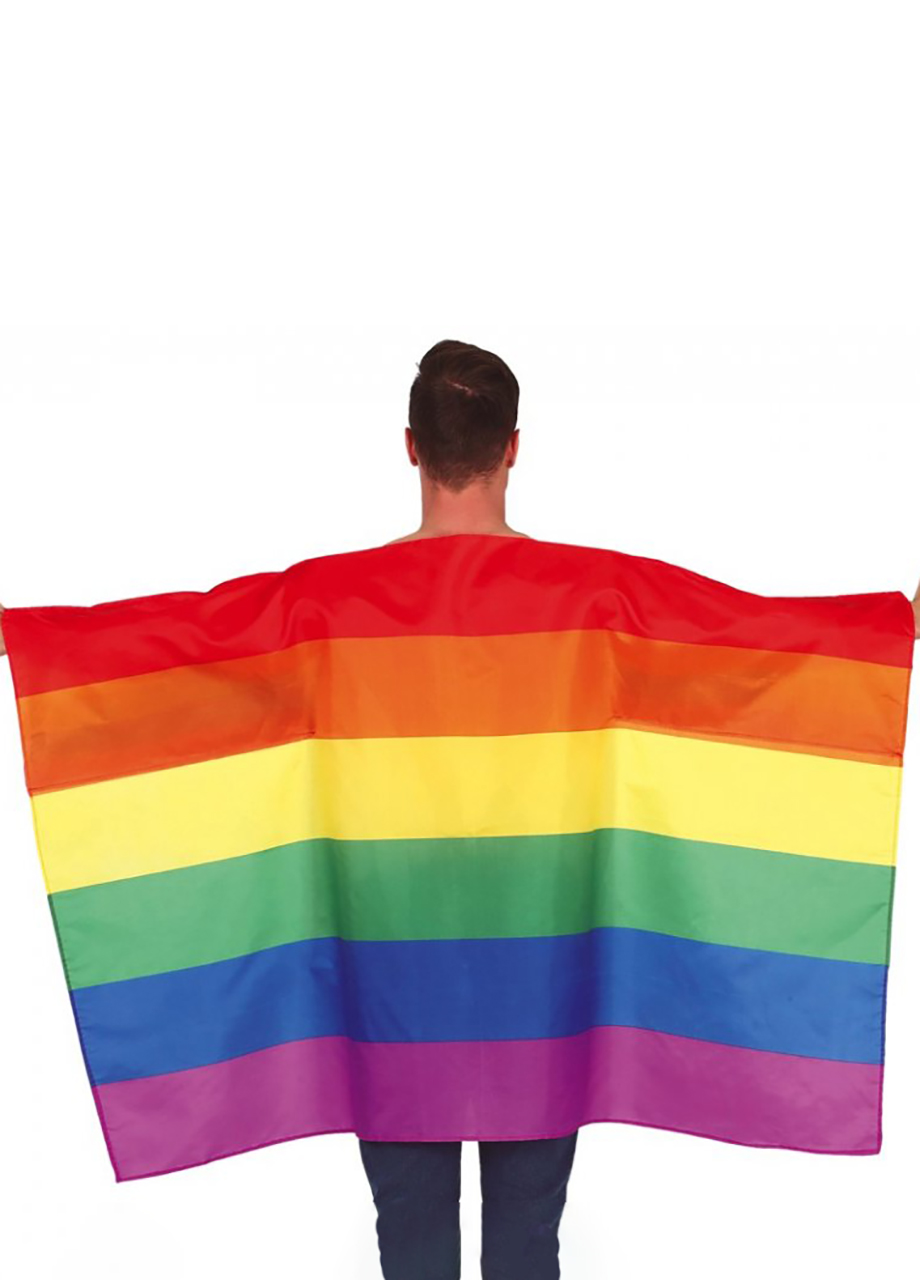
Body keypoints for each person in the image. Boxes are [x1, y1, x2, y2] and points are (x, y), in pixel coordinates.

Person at [1, 338, 918, 1280]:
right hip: (544, 975)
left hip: (391, 974)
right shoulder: (600, 597)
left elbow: (185, 641)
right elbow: (751, 638)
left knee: (410, 1235)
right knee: (528, 1237)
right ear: (514, 446)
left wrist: (35, 644)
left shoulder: (322, 604)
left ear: (410, 446)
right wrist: (897, 625)